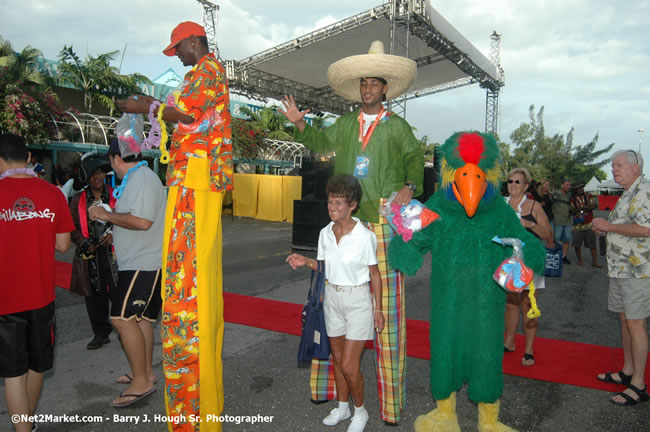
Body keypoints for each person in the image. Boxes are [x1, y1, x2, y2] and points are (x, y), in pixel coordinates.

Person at [281, 40, 423, 425]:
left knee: (386, 316)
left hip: (382, 222)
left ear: (385, 89)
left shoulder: (397, 127)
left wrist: (411, 183)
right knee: (330, 299)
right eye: (363, 84)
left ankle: (389, 406)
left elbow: (416, 159)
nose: (367, 89)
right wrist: (297, 121)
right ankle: (335, 397)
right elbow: (316, 144)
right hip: (341, 218)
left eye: (374, 84)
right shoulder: (344, 124)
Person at [116, 21, 232, 429]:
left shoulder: (210, 71)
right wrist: (148, 107)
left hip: (199, 181)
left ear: (193, 41)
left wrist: (145, 107)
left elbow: (187, 114)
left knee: (192, 289)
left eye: (178, 49)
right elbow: (176, 117)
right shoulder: (195, 76)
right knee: (182, 286)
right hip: (186, 181)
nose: (177, 56)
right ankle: (186, 400)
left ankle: (199, 408)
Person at [287, 174, 385, 432]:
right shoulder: (324, 233)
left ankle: (360, 412)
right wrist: (304, 261)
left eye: (339, 203)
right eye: (330, 202)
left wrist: (379, 309)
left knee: (351, 366)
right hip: (332, 299)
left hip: (357, 301)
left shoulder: (365, 236)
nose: (332, 207)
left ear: (352, 205)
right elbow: (324, 266)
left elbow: (375, 273)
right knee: (338, 360)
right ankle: (343, 407)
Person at [0, 133, 74, 432]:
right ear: (28, 157)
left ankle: (23, 427)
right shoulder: (52, 193)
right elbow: (63, 245)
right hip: (42, 296)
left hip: (5, 299)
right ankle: (26, 423)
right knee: (36, 365)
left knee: (13, 374)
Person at [88, 138, 165, 408]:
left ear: (115, 159)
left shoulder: (142, 179)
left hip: (144, 263)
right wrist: (112, 219)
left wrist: (106, 216)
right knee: (141, 319)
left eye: (109, 163)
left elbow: (143, 222)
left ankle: (141, 381)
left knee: (121, 318)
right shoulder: (137, 178)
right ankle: (144, 373)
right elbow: (134, 217)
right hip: (139, 262)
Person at [593, 150, 650, 406]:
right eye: (612, 165)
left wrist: (609, 227)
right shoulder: (628, 191)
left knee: (636, 324)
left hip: (638, 270)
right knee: (625, 320)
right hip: (621, 269)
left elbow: (647, 229)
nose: (613, 169)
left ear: (635, 167)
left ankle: (638, 385)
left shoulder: (644, 190)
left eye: (619, 165)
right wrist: (605, 229)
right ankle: (628, 371)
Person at [503, 168, 554, 367]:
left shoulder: (534, 206)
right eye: (510, 181)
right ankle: (509, 342)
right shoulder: (501, 205)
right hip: (507, 263)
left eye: (518, 182)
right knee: (511, 303)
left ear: (526, 186)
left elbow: (548, 235)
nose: (513, 185)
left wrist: (528, 224)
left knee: (529, 305)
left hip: (530, 262)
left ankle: (529, 350)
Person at [69, 154, 118, 350]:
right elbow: (71, 227)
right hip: (90, 256)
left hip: (114, 254)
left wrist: (114, 234)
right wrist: (83, 243)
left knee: (119, 293)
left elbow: (128, 218)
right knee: (94, 297)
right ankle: (101, 333)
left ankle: (126, 330)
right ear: (87, 179)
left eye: (100, 173)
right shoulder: (78, 200)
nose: (97, 177)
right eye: (92, 174)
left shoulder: (117, 194)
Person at [570, 182, 601, 268]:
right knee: (576, 244)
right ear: (575, 190)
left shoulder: (588, 195)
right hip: (577, 225)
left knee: (592, 243)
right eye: (579, 188)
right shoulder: (572, 199)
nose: (581, 189)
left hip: (589, 224)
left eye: (582, 187)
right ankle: (580, 260)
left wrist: (581, 209)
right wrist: (585, 208)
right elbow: (572, 211)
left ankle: (595, 261)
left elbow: (594, 206)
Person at [552, 179, 573, 264]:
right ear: (562, 185)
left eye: (569, 185)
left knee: (567, 239)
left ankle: (563, 256)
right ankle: (555, 256)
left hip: (567, 221)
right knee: (556, 239)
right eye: (567, 185)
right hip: (557, 220)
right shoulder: (555, 194)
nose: (568, 187)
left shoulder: (570, 195)